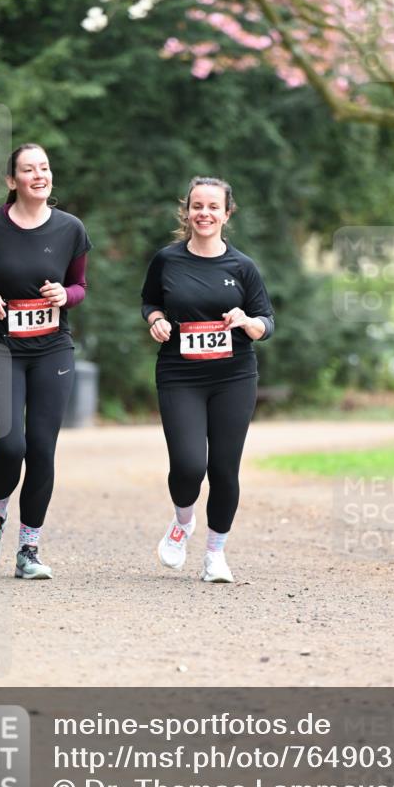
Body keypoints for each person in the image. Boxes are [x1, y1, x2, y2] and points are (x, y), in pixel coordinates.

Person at [0, 143, 91, 580]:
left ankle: (29, 549)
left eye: (45, 168)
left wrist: (64, 296)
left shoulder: (71, 228)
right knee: (9, 446)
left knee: (42, 450)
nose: (39, 175)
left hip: (51, 348)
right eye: (28, 169)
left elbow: (80, 286)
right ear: (12, 180)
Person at [141, 176, 274, 583]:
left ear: (227, 213)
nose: (205, 214)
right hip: (180, 374)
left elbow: (266, 321)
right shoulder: (167, 260)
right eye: (197, 206)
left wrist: (248, 321)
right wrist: (157, 320)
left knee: (223, 469)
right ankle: (183, 522)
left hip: (233, 375)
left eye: (213, 207)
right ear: (187, 211)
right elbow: (150, 301)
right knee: (188, 465)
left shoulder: (242, 267)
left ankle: (216, 553)